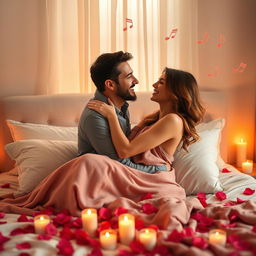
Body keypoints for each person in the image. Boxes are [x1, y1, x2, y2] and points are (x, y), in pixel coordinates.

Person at [0, 67, 205, 231]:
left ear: (177, 92)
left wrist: (111, 116)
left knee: (90, 161)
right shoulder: (156, 118)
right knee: (89, 160)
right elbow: (124, 148)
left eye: (161, 82)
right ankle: (51, 198)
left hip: (152, 178)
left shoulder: (173, 121)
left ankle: (62, 200)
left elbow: (125, 151)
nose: (153, 84)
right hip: (137, 172)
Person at [78, 51, 168, 173]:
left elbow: (127, 149)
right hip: (101, 177)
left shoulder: (121, 107)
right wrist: (161, 169)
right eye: (129, 76)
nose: (136, 81)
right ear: (110, 85)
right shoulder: (94, 117)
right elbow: (120, 165)